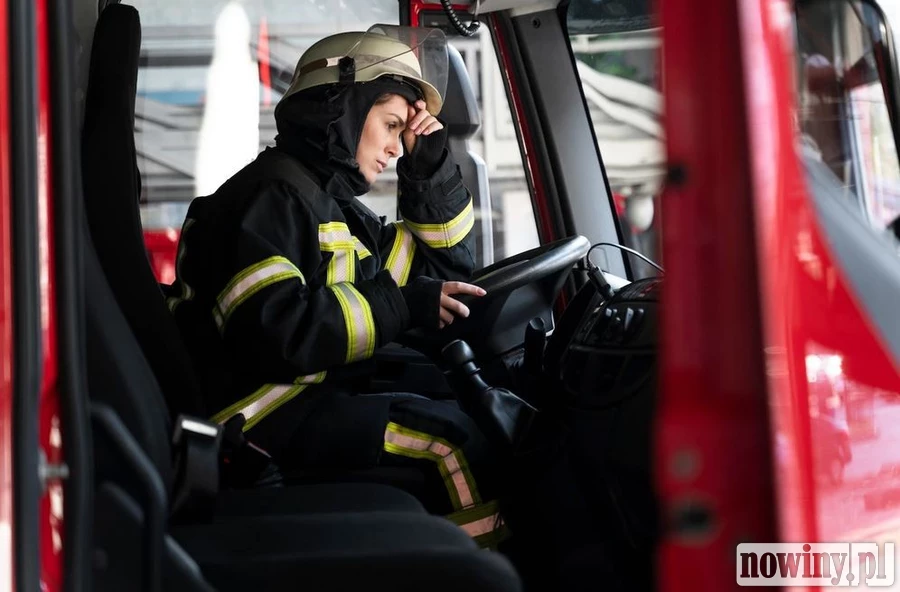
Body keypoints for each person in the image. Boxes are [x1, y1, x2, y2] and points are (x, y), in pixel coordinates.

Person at [165, 26, 507, 547]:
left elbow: (442, 275)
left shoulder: (330, 203)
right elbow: (277, 330)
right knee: (452, 444)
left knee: (449, 395)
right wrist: (400, 305)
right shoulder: (268, 198)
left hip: (299, 394)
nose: (396, 147)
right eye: (391, 125)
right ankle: (493, 572)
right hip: (255, 414)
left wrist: (430, 166)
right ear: (342, 109)